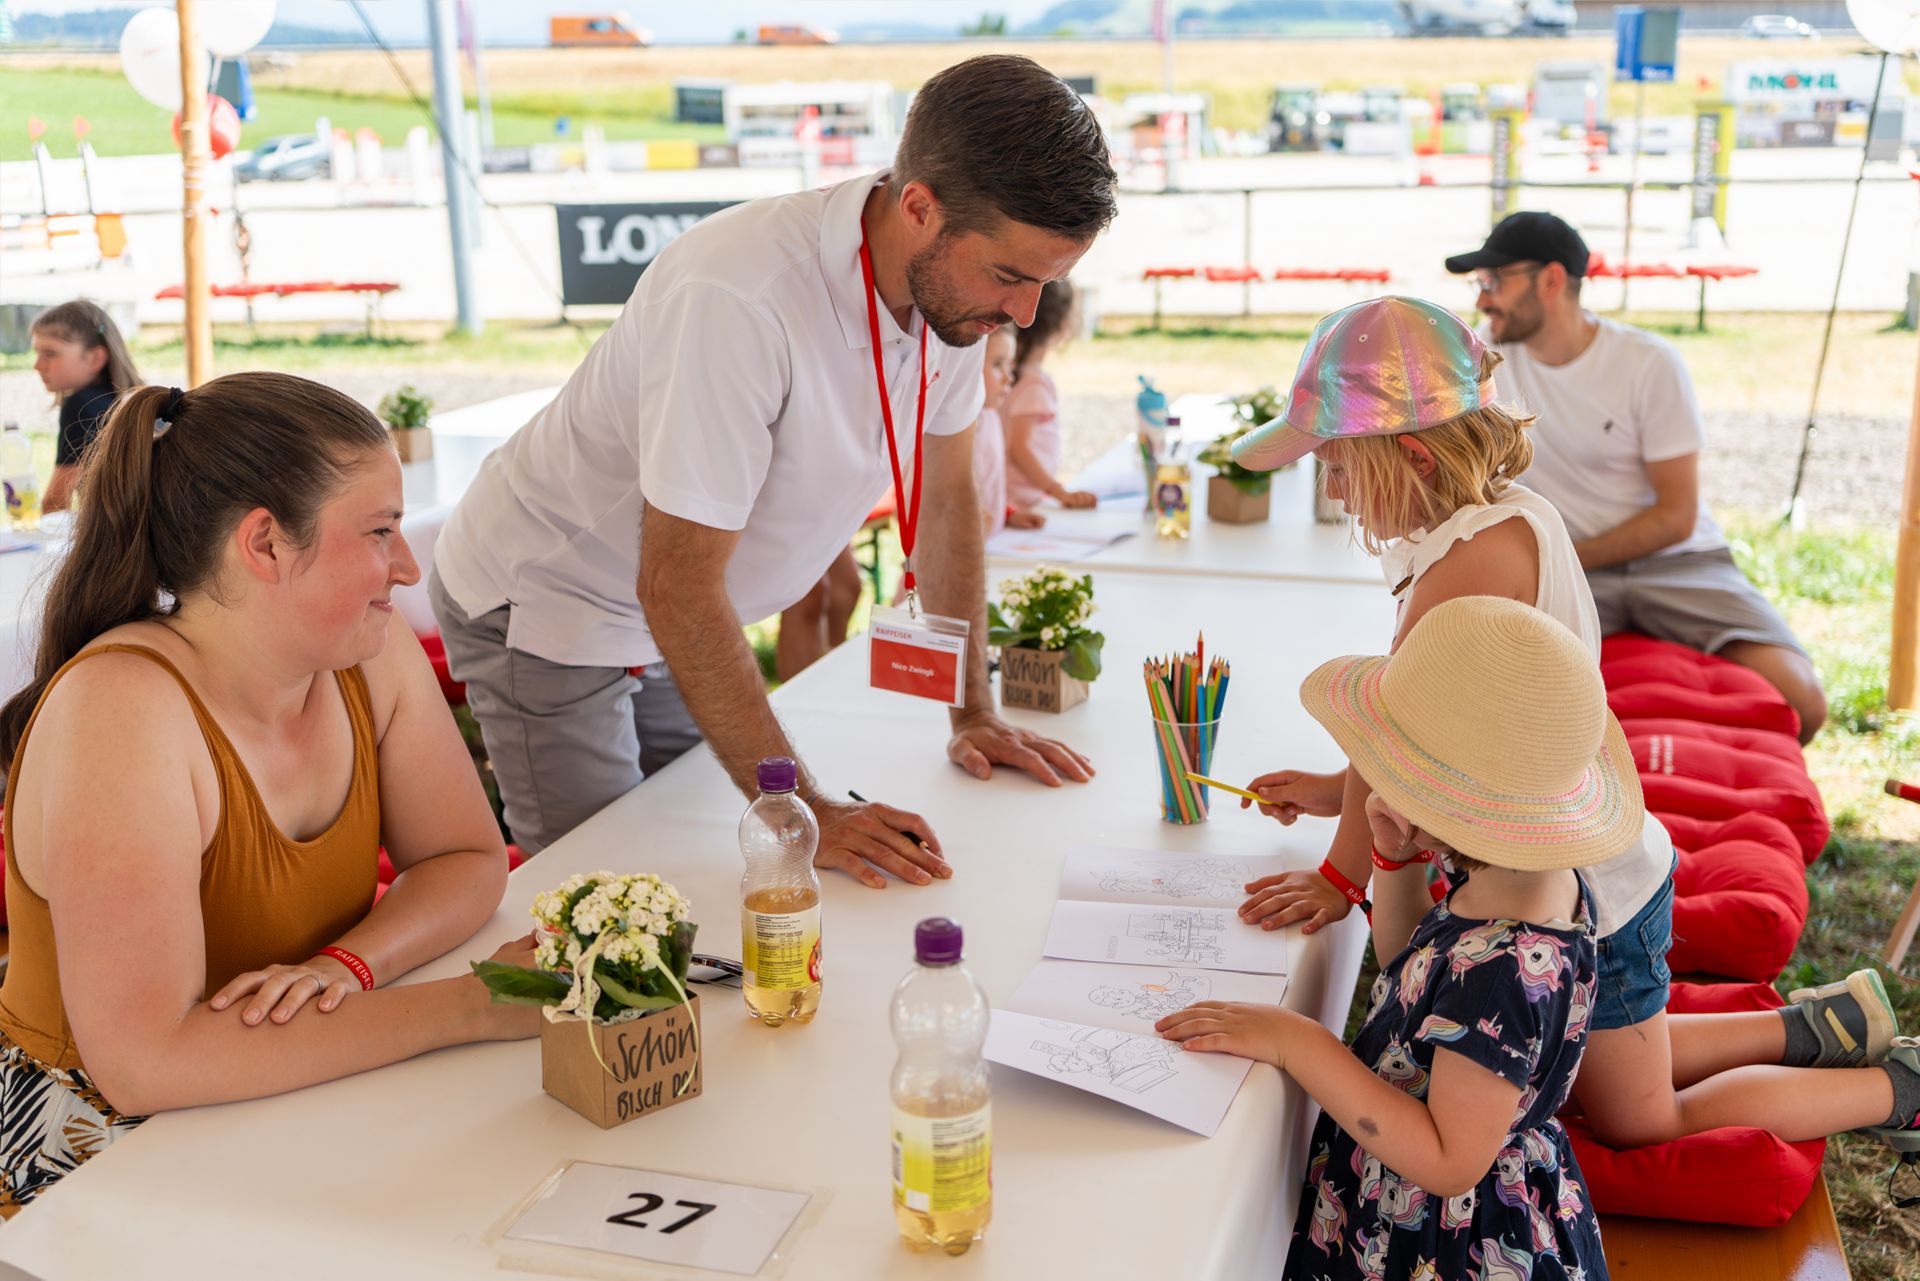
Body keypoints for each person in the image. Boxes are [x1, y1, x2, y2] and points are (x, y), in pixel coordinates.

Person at [1228, 296, 1916, 1161]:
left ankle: (1897, 1088)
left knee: (1639, 1115)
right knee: (1600, 1058)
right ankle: (1814, 1024)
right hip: (1557, 855)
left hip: (1591, 891)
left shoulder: (1471, 561)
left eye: (1335, 467)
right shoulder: (1492, 517)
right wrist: (1339, 791)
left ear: (1407, 456)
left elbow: (1395, 725)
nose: (1330, 490)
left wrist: (1340, 873)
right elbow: (1434, 726)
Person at [429, 55, 1113, 879]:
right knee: (618, 898)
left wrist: (971, 709)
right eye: (1010, 275)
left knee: (714, 852)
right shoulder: (740, 295)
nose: (1025, 313)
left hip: (671, 604)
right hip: (551, 600)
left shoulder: (956, 298)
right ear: (920, 208)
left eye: (1047, 282)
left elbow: (947, 498)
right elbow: (675, 584)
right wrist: (811, 811)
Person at [0, 373, 540, 1215]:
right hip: (88, 1158)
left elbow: (467, 859)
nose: (405, 563)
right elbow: (145, 1064)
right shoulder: (122, 712)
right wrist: (477, 1003)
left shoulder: (369, 650)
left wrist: (347, 966)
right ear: (265, 544)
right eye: (379, 531)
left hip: (283, 1096)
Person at [1162, 595, 1630, 1279]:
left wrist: (1300, 1041)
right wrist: (1392, 855)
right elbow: (1411, 970)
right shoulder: (1518, 877)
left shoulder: (1506, 965)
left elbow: (1448, 1159)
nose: (1375, 778)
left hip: (1444, 1243)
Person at [1444, 211, 1826, 743]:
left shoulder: (1648, 363)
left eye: (1495, 280)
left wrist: (1565, 556)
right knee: (1480, 700)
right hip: (1568, 571)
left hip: (1675, 563)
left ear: (1552, 280)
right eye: (1479, 283)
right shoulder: (1482, 360)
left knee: (1802, 700)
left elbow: (1676, 517)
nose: (1483, 299)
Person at [28, 300, 143, 512]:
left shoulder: (82, 406)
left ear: (95, 358)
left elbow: (56, 502)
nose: (37, 365)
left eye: (50, 353)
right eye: (37, 352)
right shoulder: (132, 402)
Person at [1002, 278, 1097, 516]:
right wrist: (1057, 491)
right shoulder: (1034, 384)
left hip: (1011, 497)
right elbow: (1019, 449)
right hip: (1022, 499)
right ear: (1063, 325)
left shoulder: (1007, 373)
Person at [972, 323, 1045, 538]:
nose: (1009, 378)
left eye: (1010, 367)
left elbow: (988, 483)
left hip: (990, 543)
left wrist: (1007, 512)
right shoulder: (951, 430)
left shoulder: (991, 417)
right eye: (997, 364)